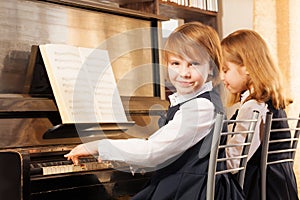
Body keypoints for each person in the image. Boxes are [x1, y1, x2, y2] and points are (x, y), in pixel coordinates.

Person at [65, 21, 244, 199]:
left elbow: (152, 152)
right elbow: (158, 147)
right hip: (186, 186)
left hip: (189, 191)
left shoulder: (200, 107)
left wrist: (97, 146)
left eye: (194, 64)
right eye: (175, 63)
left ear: (211, 68)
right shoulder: (196, 102)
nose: (184, 73)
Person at [220, 29, 298, 200]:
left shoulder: (253, 106)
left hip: (258, 190)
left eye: (225, 70)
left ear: (247, 67)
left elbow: (235, 163)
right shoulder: (268, 103)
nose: (221, 76)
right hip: (280, 187)